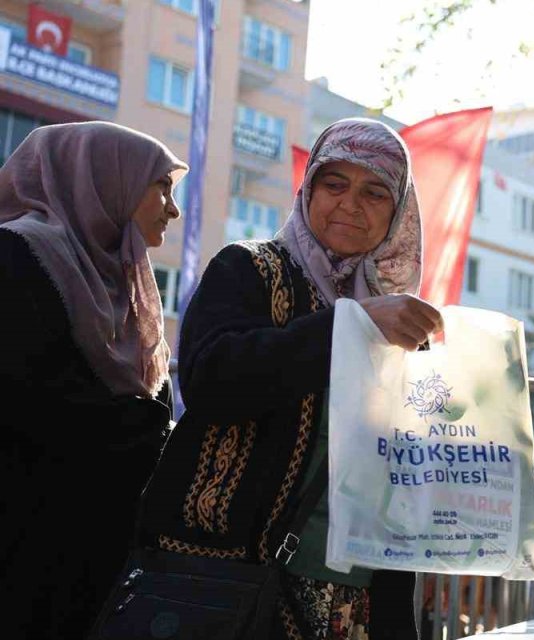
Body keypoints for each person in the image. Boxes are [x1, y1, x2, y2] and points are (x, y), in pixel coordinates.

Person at [139, 118, 439, 639]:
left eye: (375, 193)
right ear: (308, 191)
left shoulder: (402, 319)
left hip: (359, 592)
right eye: (334, 184)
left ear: (398, 211)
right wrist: (347, 326)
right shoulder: (250, 269)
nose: (350, 204)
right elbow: (211, 382)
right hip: (237, 577)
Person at [0, 122, 186, 638]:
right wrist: (165, 438)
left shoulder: (120, 283)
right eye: (161, 187)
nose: (173, 209)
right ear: (105, 179)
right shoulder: (17, 257)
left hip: (98, 560)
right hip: (25, 552)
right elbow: (38, 401)